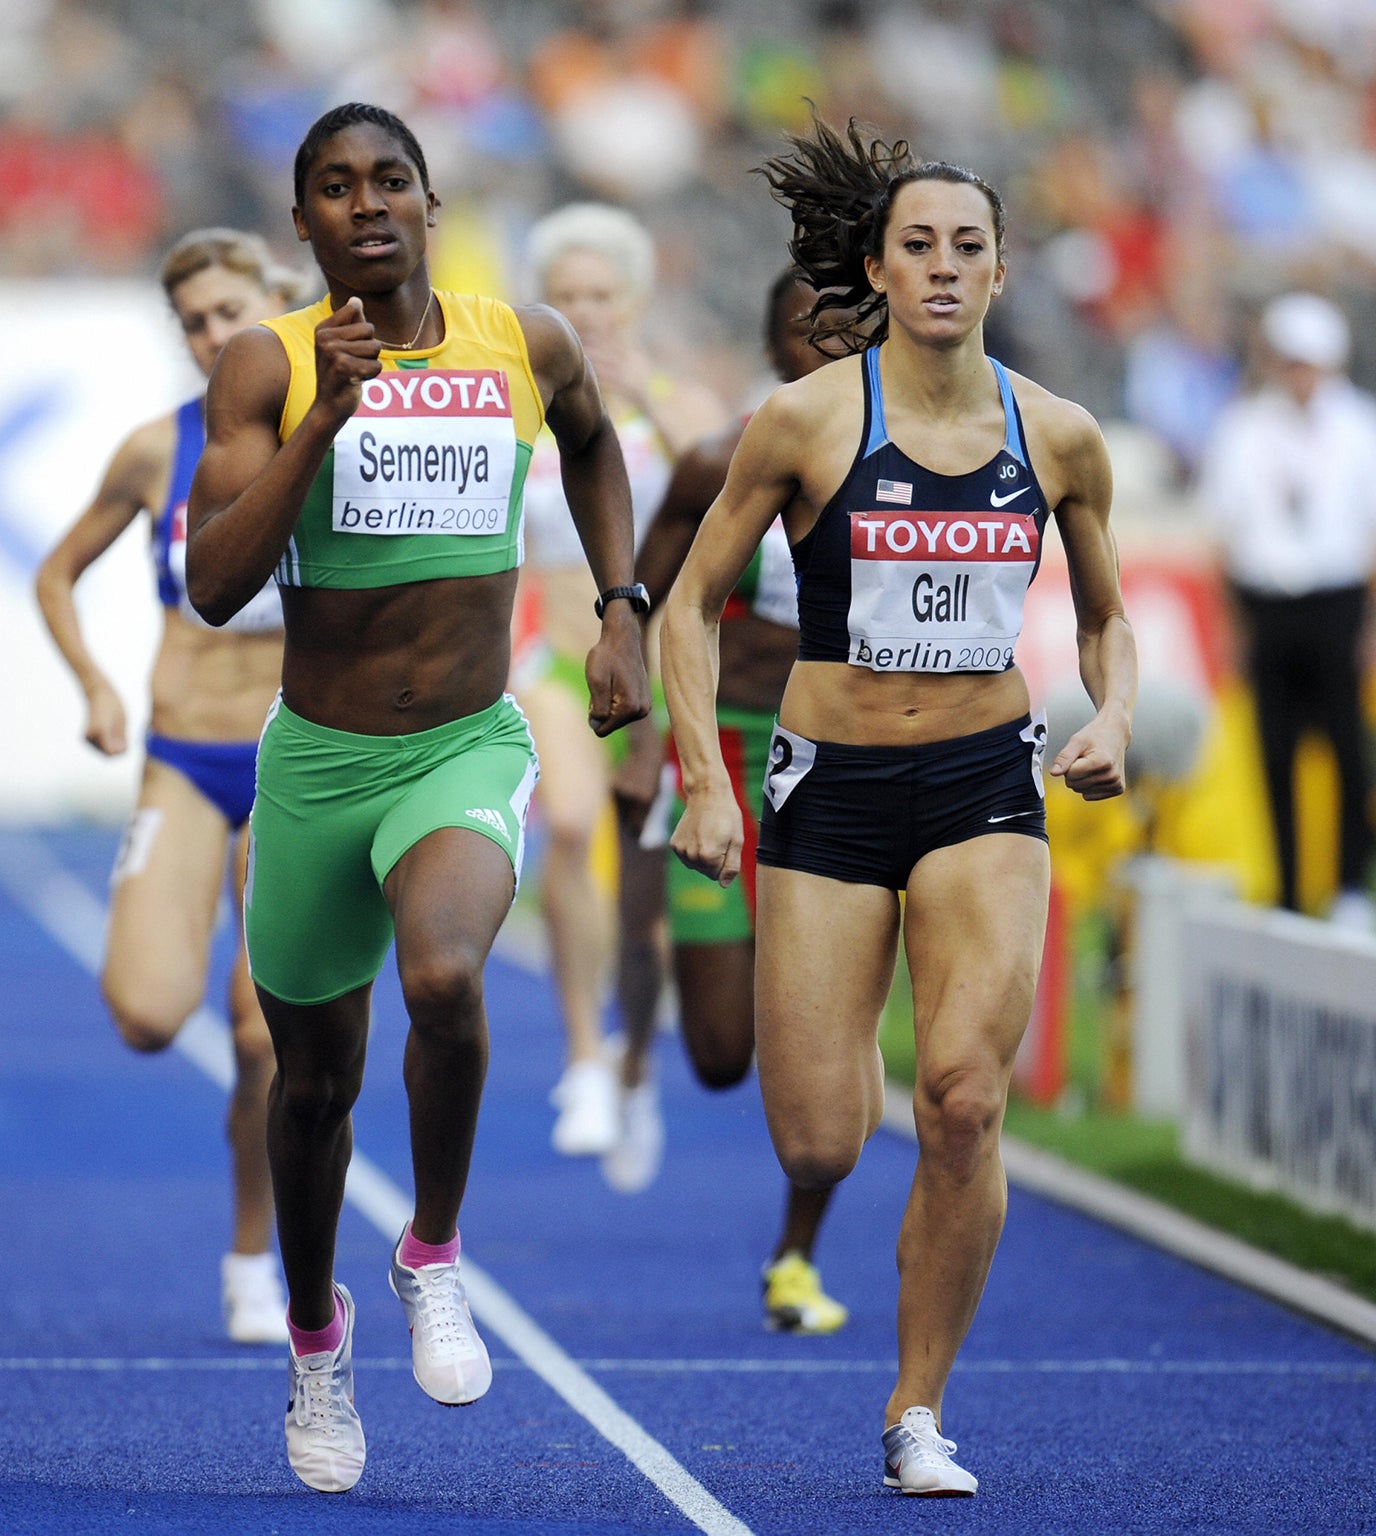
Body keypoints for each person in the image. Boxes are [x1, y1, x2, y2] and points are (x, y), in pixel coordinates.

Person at [660, 118, 1135, 1496]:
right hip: (829, 785)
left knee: (964, 1101)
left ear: (999, 269)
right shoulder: (808, 419)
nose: (941, 266)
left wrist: (1108, 714)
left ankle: (917, 1408)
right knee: (819, 1132)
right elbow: (691, 606)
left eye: (966, 246)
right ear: (875, 263)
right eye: (916, 244)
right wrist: (703, 777)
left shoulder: (1060, 436)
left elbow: (1107, 625)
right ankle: (869, 1159)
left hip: (987, 784)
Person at [186, 103, 648, 1494]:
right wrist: (322, 417)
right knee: (313, 1083)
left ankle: (432, 1253)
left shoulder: (522, 340)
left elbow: (594, 444)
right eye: (335, 187)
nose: (367, 202)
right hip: (320, 764)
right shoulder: (264, 366)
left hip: (463, 743)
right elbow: (213, 584)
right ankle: (317, 1344)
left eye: (390, 178)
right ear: (306, 226)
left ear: (431, 201)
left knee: (447, 977)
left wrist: (621, 609)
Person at [34, 228, 303, 1344]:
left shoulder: (330, 436)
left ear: (275, 303)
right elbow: (56, 571)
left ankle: (254, 1254)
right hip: (184, 757)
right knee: (147, 1014)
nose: (210, 335)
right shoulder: (157, 451)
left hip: (298, 762)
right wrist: (95, 684)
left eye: (227, 310)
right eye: (191, 320)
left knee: (260, 1040)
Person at [606, 270, 850, 1337]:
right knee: (719, 1055)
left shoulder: (918, 463)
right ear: (770, 344)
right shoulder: (721, 461)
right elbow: (643, 609)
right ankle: (643, 1020)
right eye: (807, 328)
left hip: (849, 766)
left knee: (823, 1034)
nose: (829, 346)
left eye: (850, 328)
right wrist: (649, 742)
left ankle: (795, 1254)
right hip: (733, 754)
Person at [510, 202, 712, 1158]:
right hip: (556, 657)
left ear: (632, 299)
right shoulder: (522, 406)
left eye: (600, 294)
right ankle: (584, 1057)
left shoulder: (677, 402)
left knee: (649, 894)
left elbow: (737, 483)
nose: (585, 311)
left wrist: (656, 402)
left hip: (665, 671)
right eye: (567, 296)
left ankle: (635, 1063)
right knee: (577, 828)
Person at [1197, 292, 1376, 922]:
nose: (1300, 375)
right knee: (1273, 752)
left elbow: (1369, 537)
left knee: (1348, 749)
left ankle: (1350, 883)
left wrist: (1369, 628)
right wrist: (1233, 627)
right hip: (1268, 603)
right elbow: (1223, 536)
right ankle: (1290, 888)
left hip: (1336, 601)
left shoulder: (1359, 429)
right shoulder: (1243, 428)